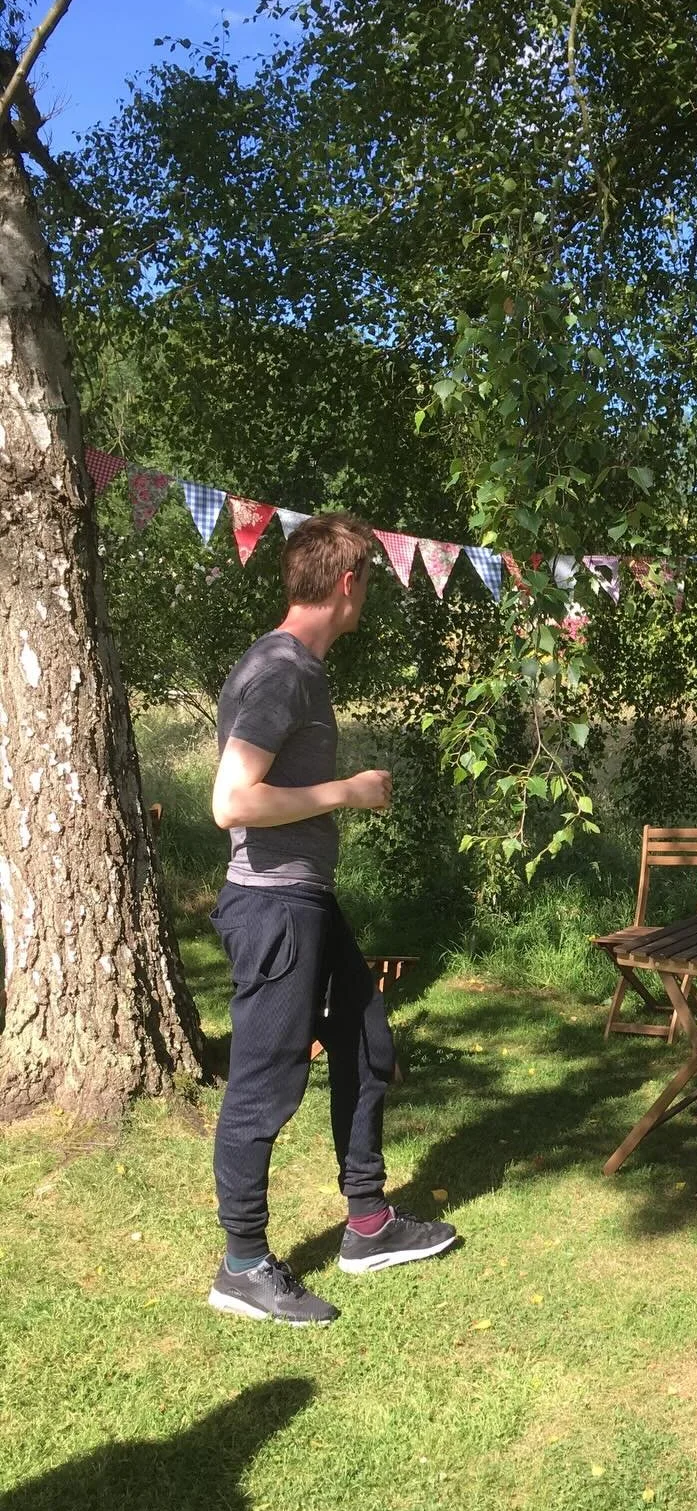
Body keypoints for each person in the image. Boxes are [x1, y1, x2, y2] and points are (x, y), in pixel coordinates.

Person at [206, 512, 456, 1323]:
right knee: (265, 1083)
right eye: (370, 583)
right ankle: (242, 1265)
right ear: (347, 582)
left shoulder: (284, 666)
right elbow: (231, 801)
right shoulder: (283, 671)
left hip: (304, 895)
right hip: (274, 904)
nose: (368, 598)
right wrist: (347, 791)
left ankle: (369, 1222)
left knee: (365, 1037)